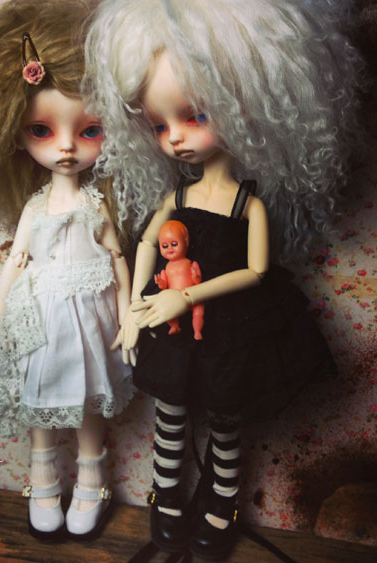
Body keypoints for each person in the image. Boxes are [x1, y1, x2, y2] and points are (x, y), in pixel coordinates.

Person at [84, 0, 361, 558]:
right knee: (170, 415)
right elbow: (146, 244)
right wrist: (137, 308)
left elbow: (255, 270)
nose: (174, 138)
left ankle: (222, 501)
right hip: (174, 324)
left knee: (226, 421)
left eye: (195, 117)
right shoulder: (178, 196)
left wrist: (183, 295)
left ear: (248, 108)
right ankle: (166, 495)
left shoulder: (246, 205)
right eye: (159, 124)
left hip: (232, 326)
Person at [0, 0, 134, 541]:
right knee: (40, 394)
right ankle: (42, 480)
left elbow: (117, 258)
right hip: (39, 315)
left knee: (89, 397)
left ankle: (93, 479)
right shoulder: (36, 208)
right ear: (16, 134)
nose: (65, 146)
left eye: (89, 130)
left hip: (92, 314)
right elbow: (16, 261)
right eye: (42, 129)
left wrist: (130, 315)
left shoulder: (96, 205)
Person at [155, 220, 204, 338]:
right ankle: (174, 326)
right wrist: (160, 282)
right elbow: (164, 286)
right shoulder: (166, 268)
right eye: (165, 246)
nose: (170, 248)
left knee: (199, 312)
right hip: (174, 299)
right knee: (167, 311)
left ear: (186, 241)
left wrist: (195, 276)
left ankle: (197, 331)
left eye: (174, 244)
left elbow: (198, 282)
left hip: (192, 295)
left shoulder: (191, 263)